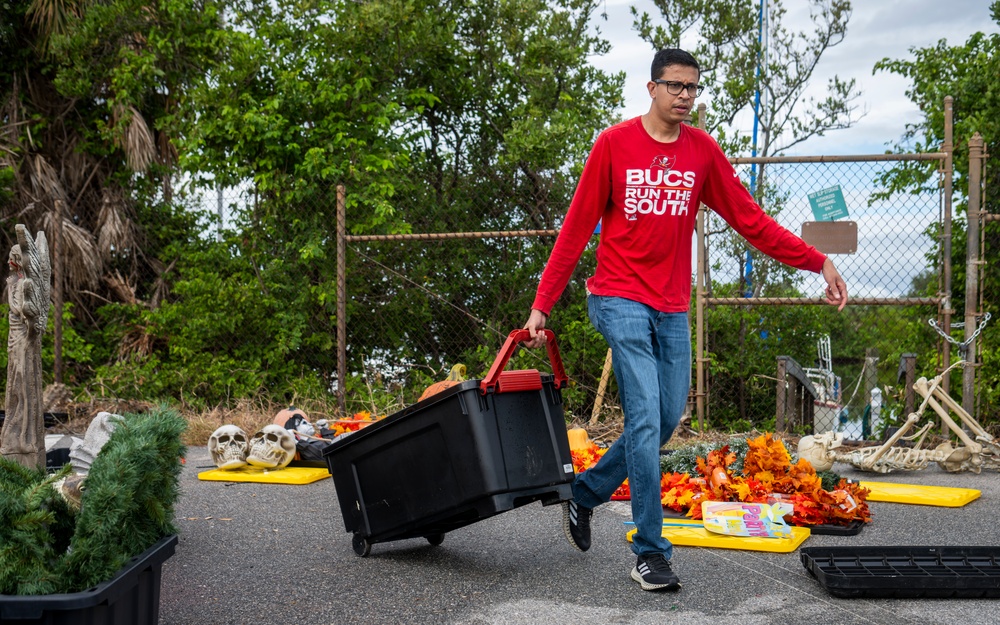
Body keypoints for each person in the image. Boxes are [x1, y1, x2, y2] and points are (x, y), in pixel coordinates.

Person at [522, 48, 848, 592]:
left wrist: (819, 261)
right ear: (651, 88)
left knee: (666, 417)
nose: (685, 97)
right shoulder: (613, 145)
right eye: (675, 86)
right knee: (646, 418)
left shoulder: (702, 153)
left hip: (672, 304)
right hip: (618, 298)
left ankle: (583, 493)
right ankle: (650, 550)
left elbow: (752, 221)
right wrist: (542, 305)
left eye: (693, 88)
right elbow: (576, 228)